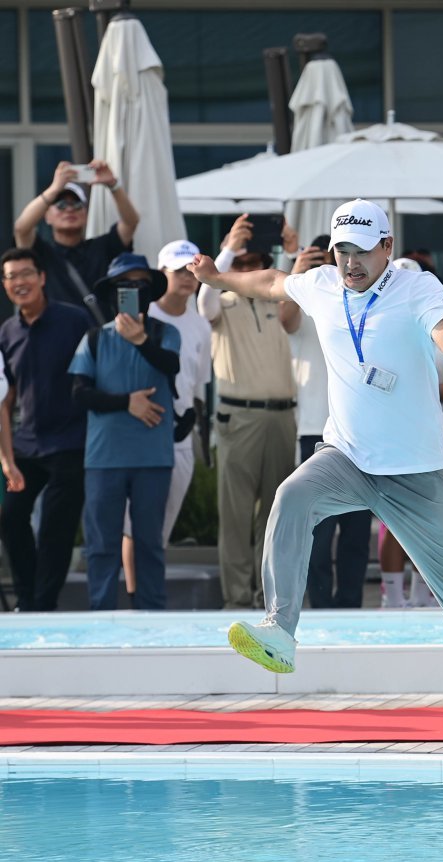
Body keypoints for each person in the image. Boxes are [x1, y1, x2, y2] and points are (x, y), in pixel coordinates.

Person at [189, 198, 443, 762]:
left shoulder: (417, 287)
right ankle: (281, 628)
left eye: (361, 251)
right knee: (292, 495)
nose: (349, 263)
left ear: (386, 248)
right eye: (342, 250)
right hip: (345, 455)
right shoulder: (320, 284)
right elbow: (272, 282)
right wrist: (217, 276)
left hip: (415, 472)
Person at [197, 214, 297, 609]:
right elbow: (203, 298)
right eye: (243, 263)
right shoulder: (220, 301)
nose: (249, 268)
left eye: (256, 260)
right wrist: (228, 250)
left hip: (282, 415)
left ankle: (266, 597)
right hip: (239, 416)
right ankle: (237, 600)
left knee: (275, 515)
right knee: (237, 515)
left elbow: (295, 286)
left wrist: (290, 251)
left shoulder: (281, 301)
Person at [69, 257, 180, 610]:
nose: (132, 292)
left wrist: (142, 340)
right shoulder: (94, 339)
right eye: (125, 286)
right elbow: (79, 393)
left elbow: (170, 366)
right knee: (101, 545)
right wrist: (126, 403)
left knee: (149, 543)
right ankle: (100, 617)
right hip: (104, 459)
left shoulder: (167, 333)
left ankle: (153, 618)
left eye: (140, 286)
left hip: (153, 458)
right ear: (113, 294)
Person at [281, 238, 373, 609]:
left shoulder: (364, 301)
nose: (344, 264)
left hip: (358, 432)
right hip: (314, 429)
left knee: (355, 530)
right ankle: (319, 605)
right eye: (336, 256)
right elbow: (286, 319)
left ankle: (350, 604)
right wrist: (296, 271)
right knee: (317, 528)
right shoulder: (308, 301)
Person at [119, 241, 213, 597]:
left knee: (161, 526)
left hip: (180, 435)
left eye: (191, 270)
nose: (186, 279)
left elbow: (197, 383)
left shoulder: (202, 325)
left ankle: (150, 596)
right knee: (133, 523)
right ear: (162, 274)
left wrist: (193, 420)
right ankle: (134, 598)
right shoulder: (143, 318)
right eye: (178, 271)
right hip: (142, 431)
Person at [0, 248, 91, 611]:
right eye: (11, 276)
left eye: (26, 273)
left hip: (72, 443)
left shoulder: (75, 320)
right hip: (27, 445)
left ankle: (43, 605)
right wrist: (7, 461)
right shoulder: (6, 332)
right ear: (5, 285)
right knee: (9, 516)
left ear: (41, 278)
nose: (19, 282)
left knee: (56, 528)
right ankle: (27, 599)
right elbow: (5, 402)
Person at [12, 161, 138, 322]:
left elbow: (130, 222)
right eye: (61, 205)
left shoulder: (102, 247)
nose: (70, 209)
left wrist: (113, 185)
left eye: (77, 204)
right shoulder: (41, 252)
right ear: (47, 216)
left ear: (86, 214)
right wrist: (55, 188)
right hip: (57, 337)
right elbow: (21, 228)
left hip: (98, 339)